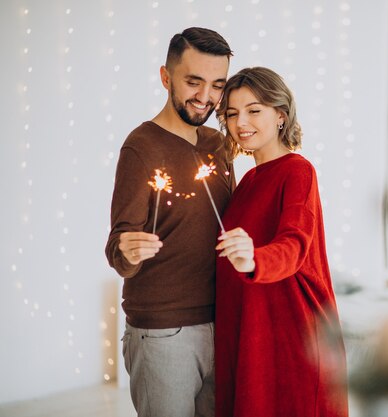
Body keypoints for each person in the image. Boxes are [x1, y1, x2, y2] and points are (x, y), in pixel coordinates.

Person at [104, 27, 235, 417]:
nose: (205, 97)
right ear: (166, 77)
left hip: (222, 322)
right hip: (163, 333)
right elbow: (118, 247)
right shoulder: (141, 147)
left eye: (217, 85)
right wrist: (127, 250)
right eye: (193, 82)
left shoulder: (219, 144)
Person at [214, 67, 349, 417]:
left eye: (253, 110)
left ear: (280, 116)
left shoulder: (297, 171)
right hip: (251, 335)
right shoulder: (245, 183)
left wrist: (255, 260)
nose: (240, 121)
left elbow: (295, 243)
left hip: (291, 335)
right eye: (231, 113)